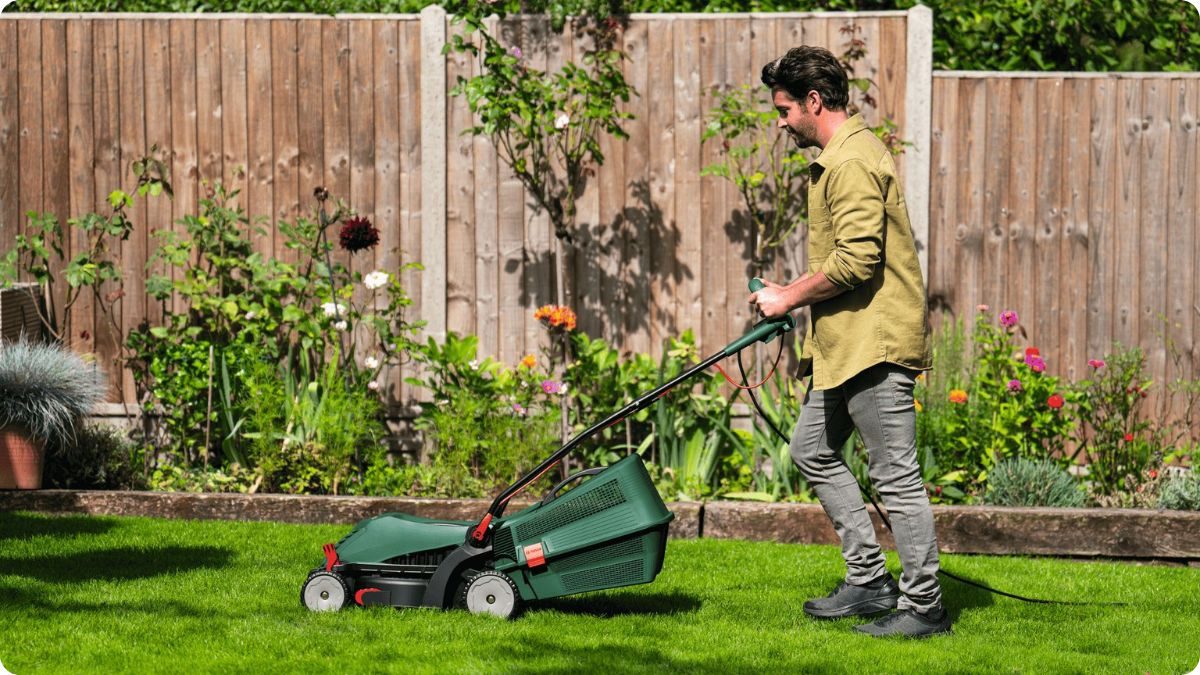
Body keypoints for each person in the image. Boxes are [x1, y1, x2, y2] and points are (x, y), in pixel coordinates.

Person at [748, 46, 949, 638]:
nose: (781, 123)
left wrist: (787, 298)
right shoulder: (840, 158)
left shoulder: (851, 162)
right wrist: (789, 292)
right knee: (811, 448)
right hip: (844, 344)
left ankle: (924, 606)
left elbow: (859, 260)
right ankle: (868, 580)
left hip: (875, 344)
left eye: (784, 110)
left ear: (813, 101)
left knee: (895, 477)